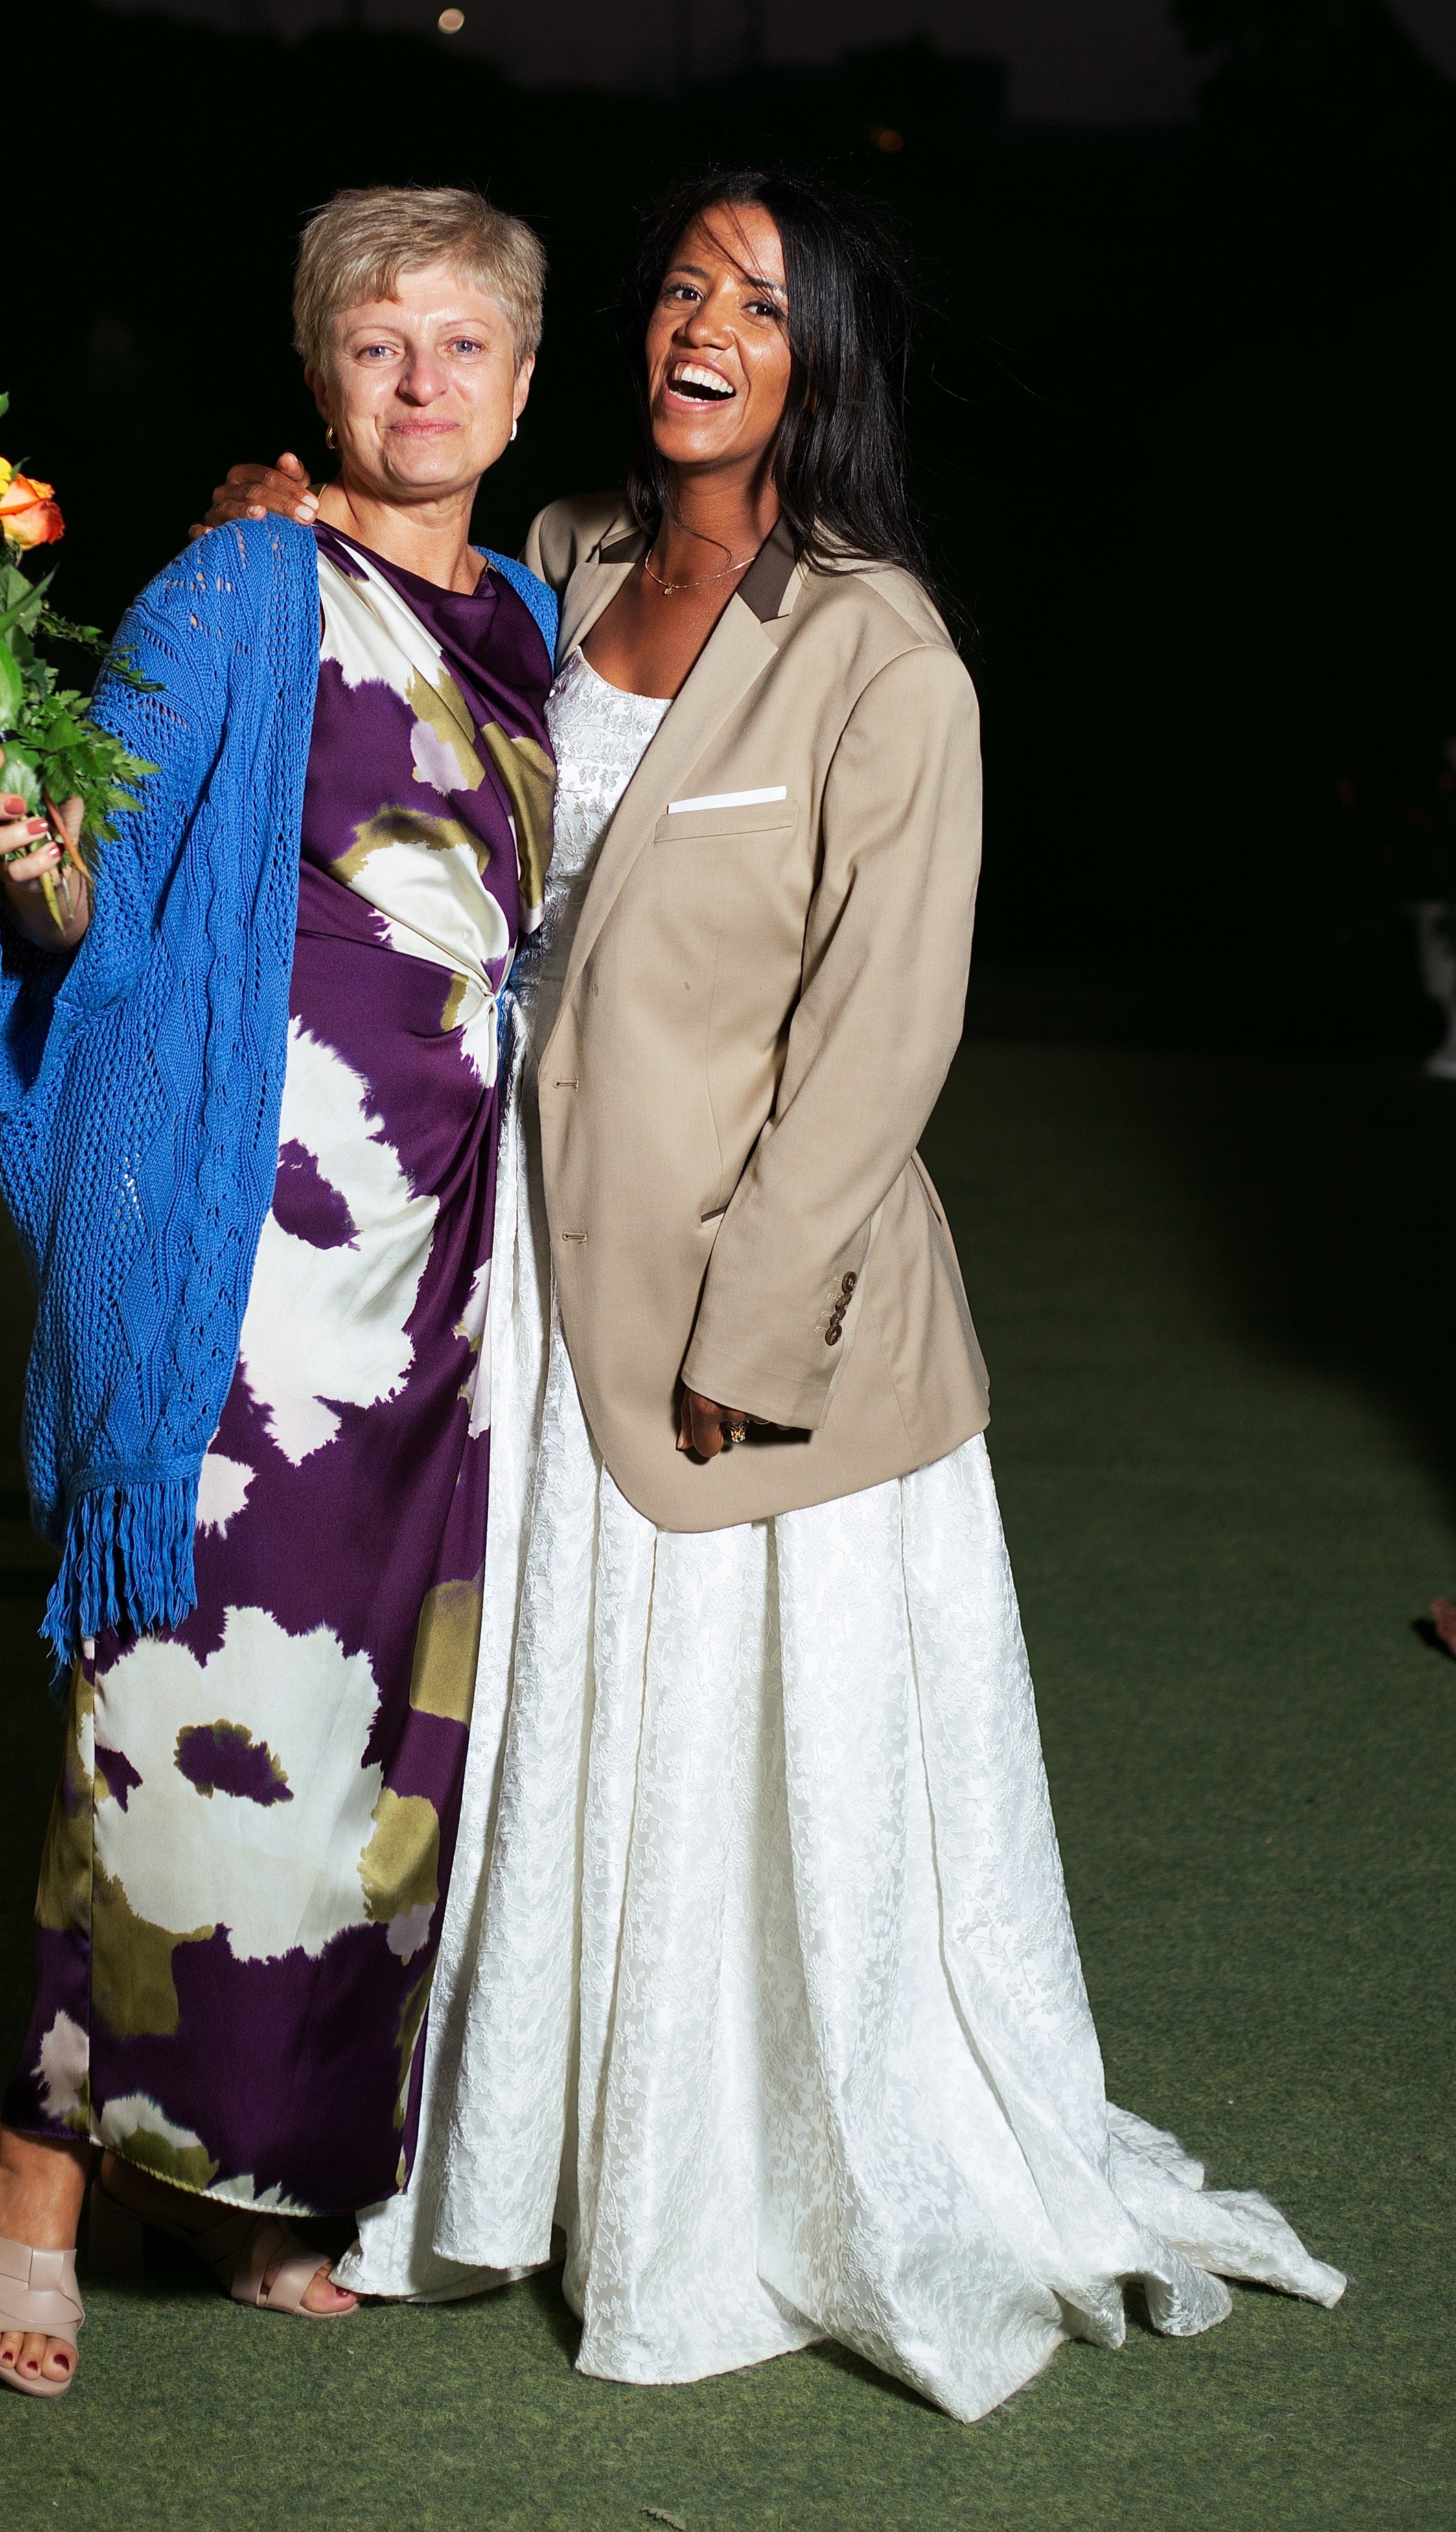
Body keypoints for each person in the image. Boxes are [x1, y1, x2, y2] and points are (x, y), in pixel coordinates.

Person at [200, 172, 1344, 2422]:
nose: (702, 324)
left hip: (757, 1316)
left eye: (762, 299)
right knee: (533, 1722)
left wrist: (752, 1323)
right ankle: (495, 2156)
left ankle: (722, 2183)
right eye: (681, 288)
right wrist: (283, 517)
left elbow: (885, 1031)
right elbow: (407, 704)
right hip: (522, 1259)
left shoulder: (884, 645)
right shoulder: (570, 552)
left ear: (828, 359)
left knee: (741, 1757)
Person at [0, 186, 557, 2396]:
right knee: (178, 1699)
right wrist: (33, 847)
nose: (419, 382)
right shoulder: (238, 587)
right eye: (376, 342)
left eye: (462, 344)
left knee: (378, 1738)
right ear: (317, 376)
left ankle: (237, 2163)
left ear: (515, 378)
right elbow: (103, 883)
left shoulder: (536, 618)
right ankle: (36, 2153)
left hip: (460, 1269)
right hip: (256, 1255)